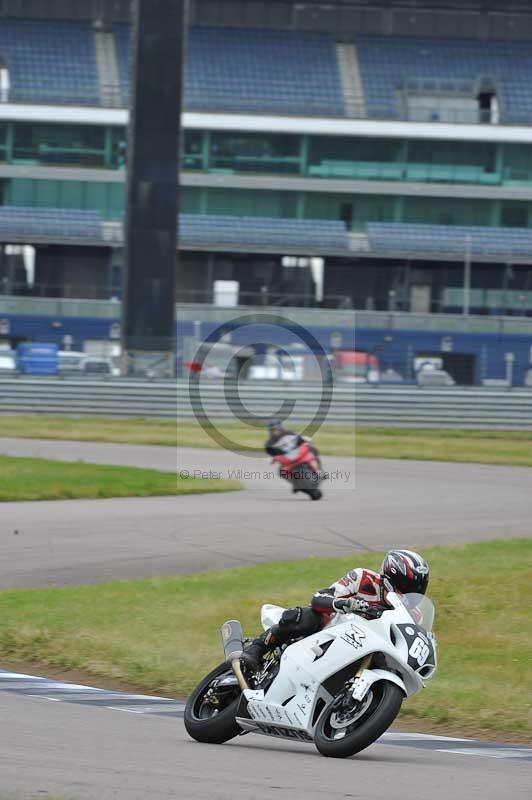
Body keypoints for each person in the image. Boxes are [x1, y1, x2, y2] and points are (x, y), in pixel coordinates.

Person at [241, 549, 430, 673]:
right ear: (391, 576)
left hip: (364, 649)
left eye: (418, 589)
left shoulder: (414, 616)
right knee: (309, 616)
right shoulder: (363, 578)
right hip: (331, 630)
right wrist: (343, 604)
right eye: (407, 586)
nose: (412, 593)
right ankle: (256, 648)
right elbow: (318, 598)